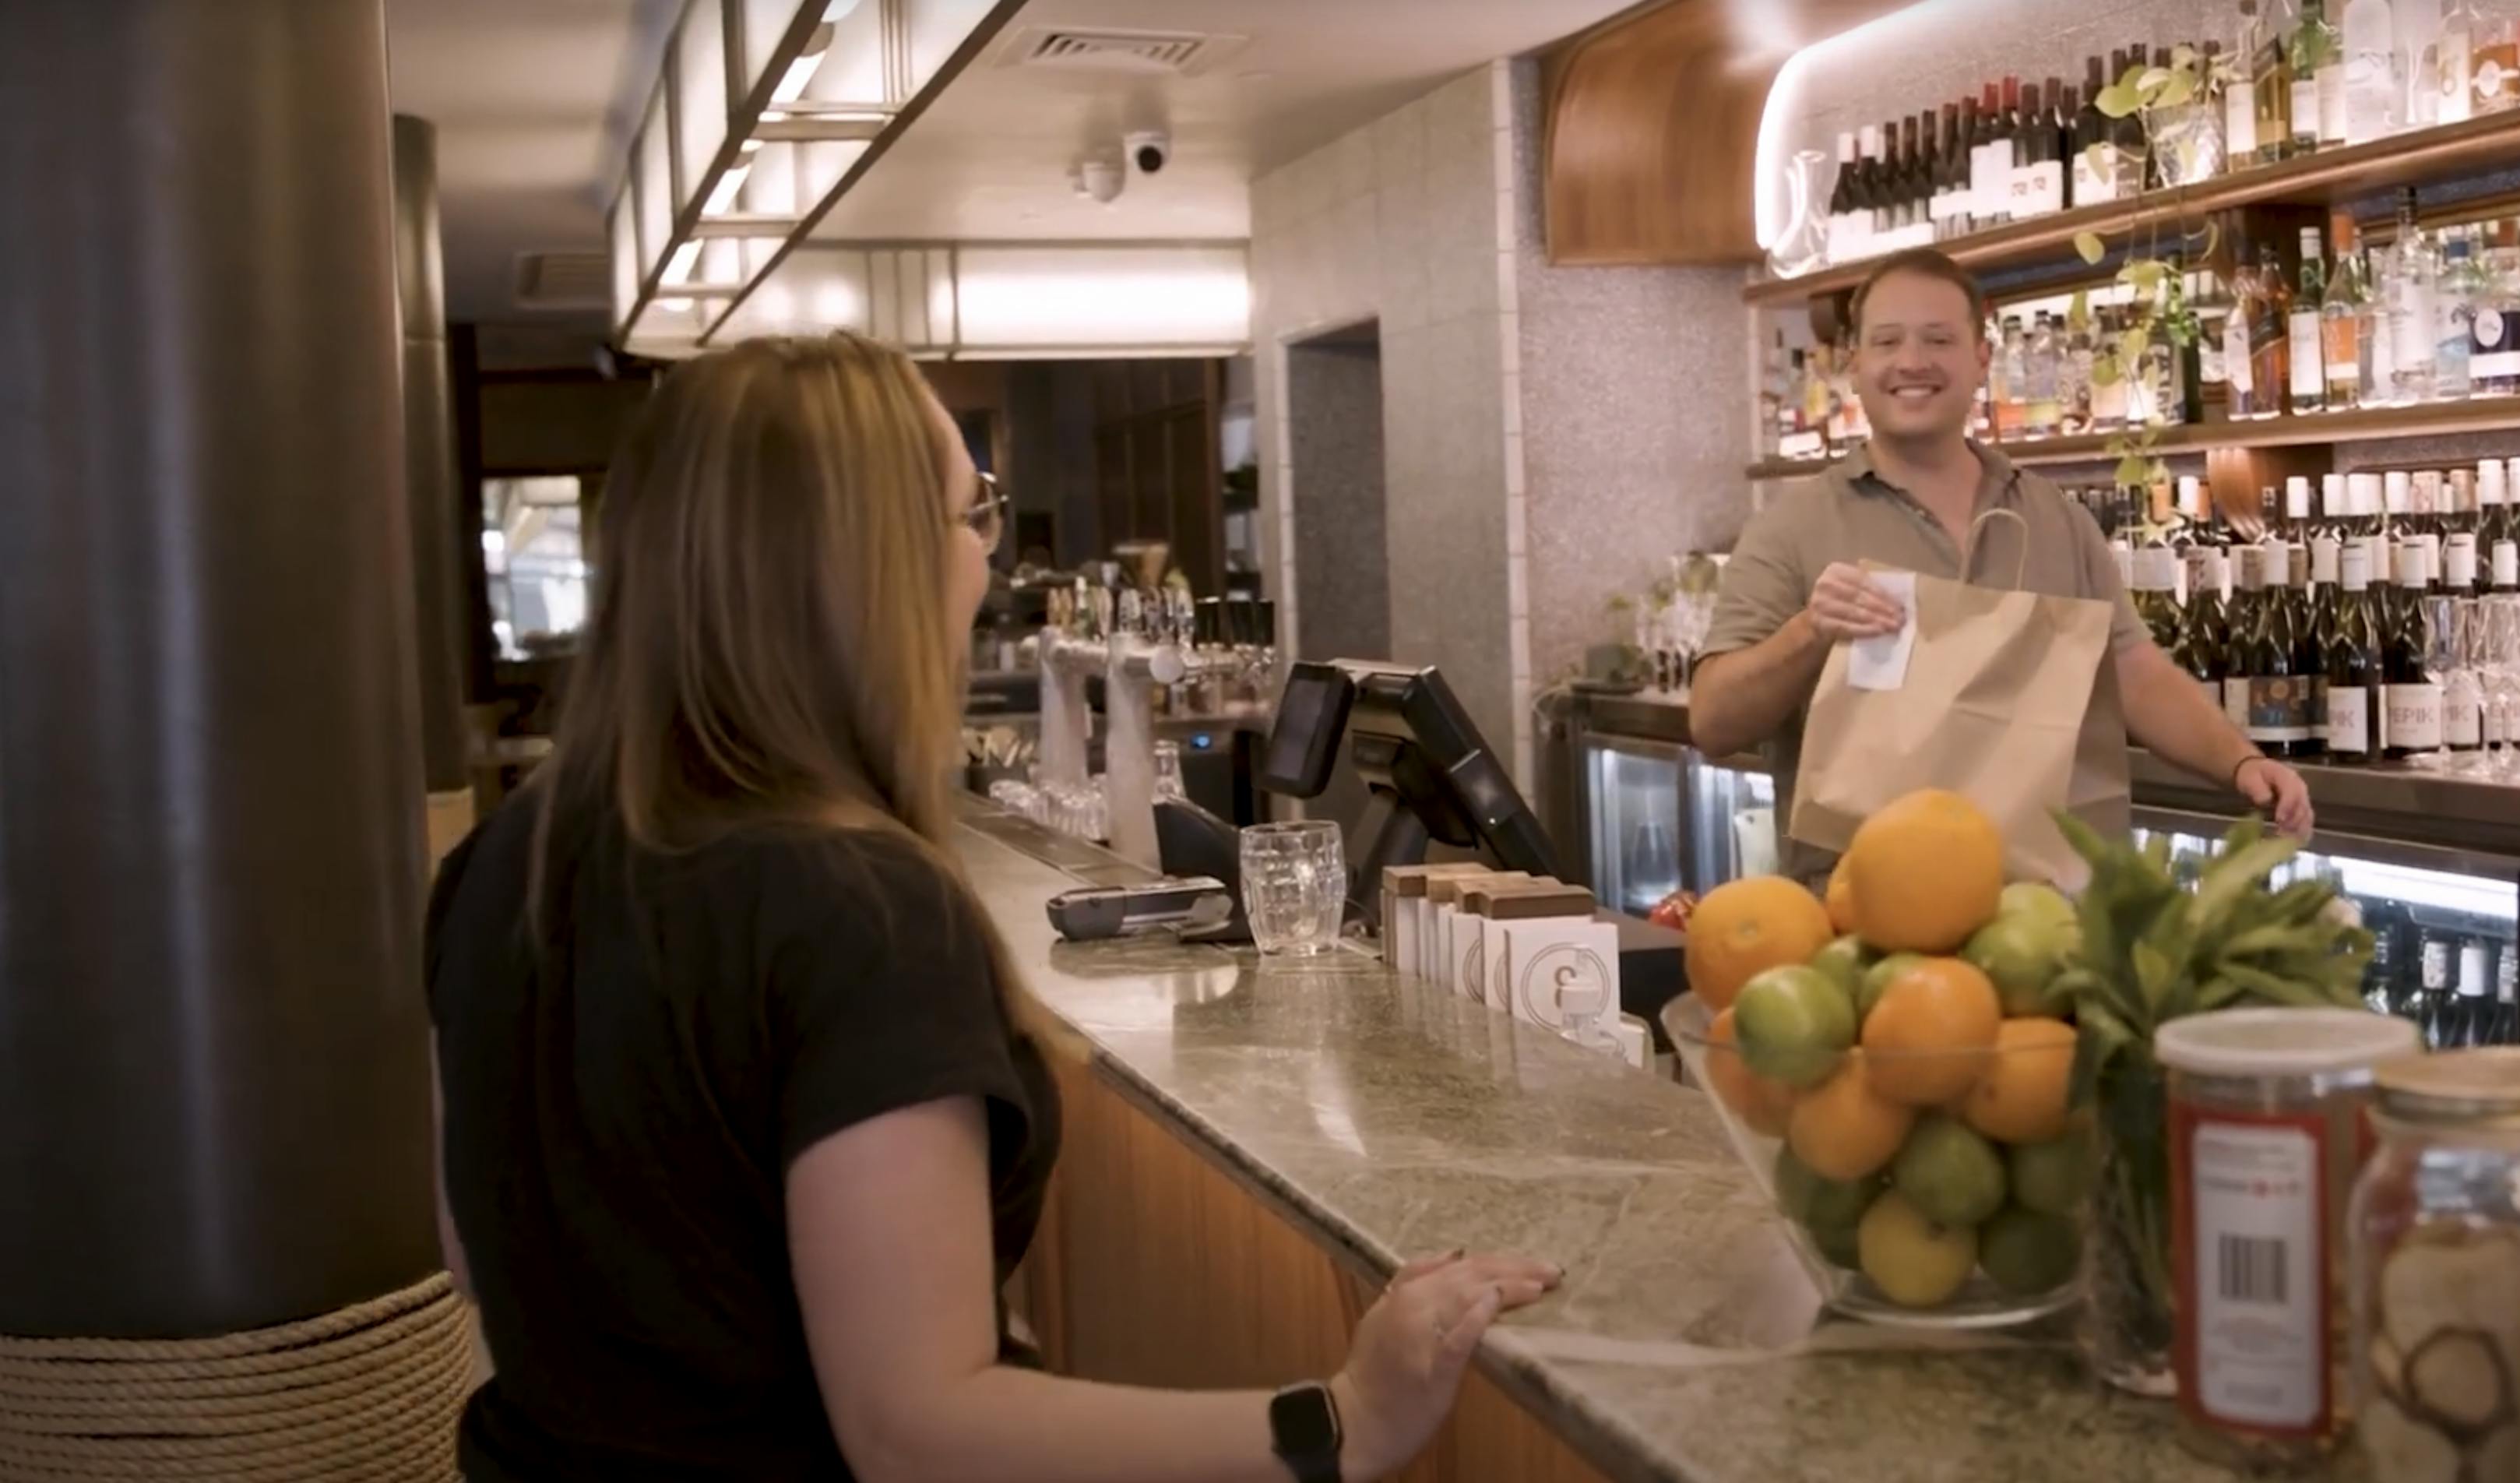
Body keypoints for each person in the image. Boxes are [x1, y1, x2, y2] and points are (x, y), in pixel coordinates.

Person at [425, 333, 1557, 1483]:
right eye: (976, 516)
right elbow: (916, 1431)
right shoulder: (860, 910)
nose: (984, 560)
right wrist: (1343, 1419)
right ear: (881, 563)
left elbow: (481, 1259)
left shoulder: (499, 863)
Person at [1691, 250, 2312, 871]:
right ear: (1855, 365)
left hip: (2044, 928)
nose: (1913, 361)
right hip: (1865, 930)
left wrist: (2242, 760)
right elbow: (1713, 722)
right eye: (1887, 341)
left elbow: (2132, 670)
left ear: (1981, 360)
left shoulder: (2055, 519)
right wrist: (1809, 633)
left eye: (1939, 339)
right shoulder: (1792, 528)